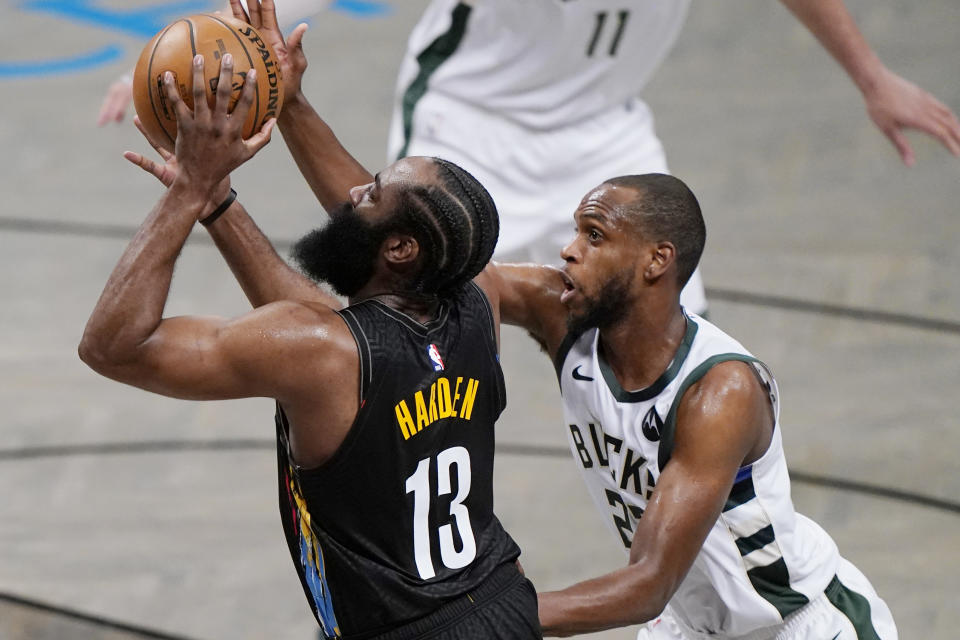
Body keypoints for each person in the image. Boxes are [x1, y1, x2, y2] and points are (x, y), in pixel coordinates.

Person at [204, 4, 899, 637]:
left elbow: (645, 585)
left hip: (795, 628)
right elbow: (410, 242)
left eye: (594, 237)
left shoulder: (720, 394)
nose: (567, 248)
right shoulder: (563, 314)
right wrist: (292, 105)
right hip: (692, 626)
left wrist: (465, 618)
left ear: (656, 263)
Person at [80, 52, 541, 640]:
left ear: (400, 251)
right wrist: (244, 167)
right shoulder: (479, 297)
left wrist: (188, 191)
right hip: (502, 604)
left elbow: (114, 347)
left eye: (370, 193)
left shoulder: (324, 352)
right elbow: (333, 323)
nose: (349, 191)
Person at [99, 1, 960, 315]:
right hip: (473, 121)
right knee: (400, 311)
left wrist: (871, 75)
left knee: (678, 345)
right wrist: (201, 49)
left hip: (604, 127)